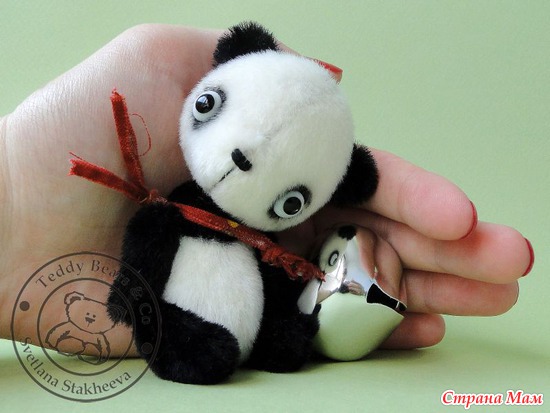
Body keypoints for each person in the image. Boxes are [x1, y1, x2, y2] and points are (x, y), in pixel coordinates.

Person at [0, 24, 533, 356]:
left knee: (280, 305)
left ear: (340, 187)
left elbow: (270, 270)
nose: (238, 159)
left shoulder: (265, 239)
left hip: (246, 295)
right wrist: (15, 188)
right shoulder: (167, 209)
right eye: (209, 106)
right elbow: (144, 256)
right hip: (179, 321)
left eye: (291, 201)